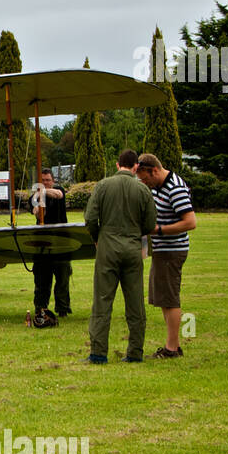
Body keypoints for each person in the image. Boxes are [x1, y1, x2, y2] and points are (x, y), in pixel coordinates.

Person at [84, 149, 156, 363]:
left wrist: (98, 238)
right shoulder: (143, 190)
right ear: (136, 167)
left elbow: (90, 218)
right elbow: (150, 224)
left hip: (107, 247)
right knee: (135, 302)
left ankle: (98, 353)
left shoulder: (103, 186)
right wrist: (135, 235)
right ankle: (135, 352)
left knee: (102, 301)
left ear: (117, 165)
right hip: (133, 249)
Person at [136, 152, 197, 359]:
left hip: (172, 250)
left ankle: (172, 349)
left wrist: (159, 230)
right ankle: (172, 345)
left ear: (154, 170)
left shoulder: (175, 188)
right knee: (163, 297)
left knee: (170, 298)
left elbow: (190, 222)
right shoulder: (158, 186)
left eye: (145, 179)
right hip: (161, 251)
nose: (145, 184)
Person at [32, 168, 71, 318]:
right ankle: (40, 308)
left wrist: (42, 191)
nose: (46, 183)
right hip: (41, 243)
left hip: (61, 241)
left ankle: (62, 309)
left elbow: (58, 194)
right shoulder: (36, 195)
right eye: (42, 181)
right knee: (42, 278)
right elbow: (35, 210)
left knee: (62, 278)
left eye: (48, 180)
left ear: (53, 181)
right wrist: (39, 202)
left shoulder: (58, 189)